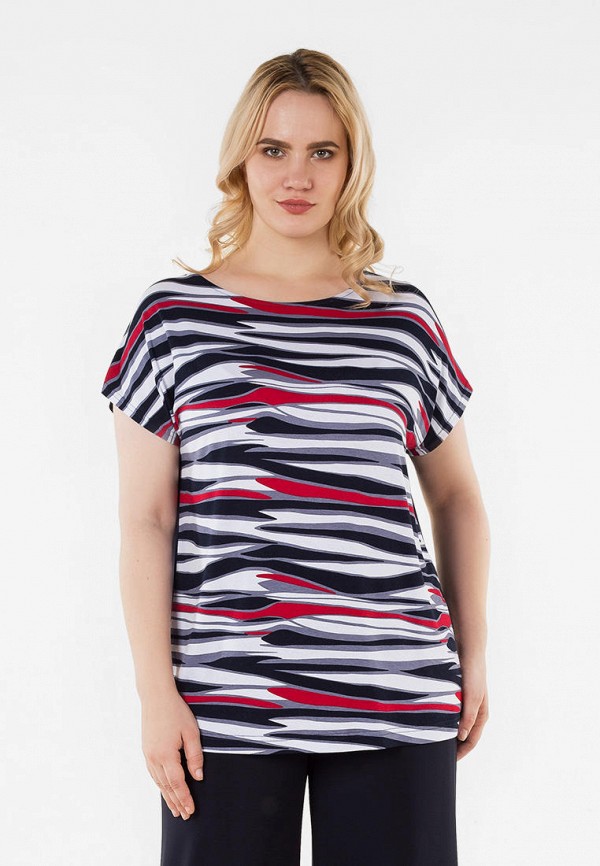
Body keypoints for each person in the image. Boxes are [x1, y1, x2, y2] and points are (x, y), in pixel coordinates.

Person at [100, 47, 490, 866]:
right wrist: (154, 692)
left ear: (352, 164)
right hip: (228, 699)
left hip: (395, 687)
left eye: (323, 151)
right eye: (273, 149)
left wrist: (475, 655)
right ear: (241, 158)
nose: (297, 176)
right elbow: (145, 520)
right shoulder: (173, 320)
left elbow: (456, 499)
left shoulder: (402, 321)